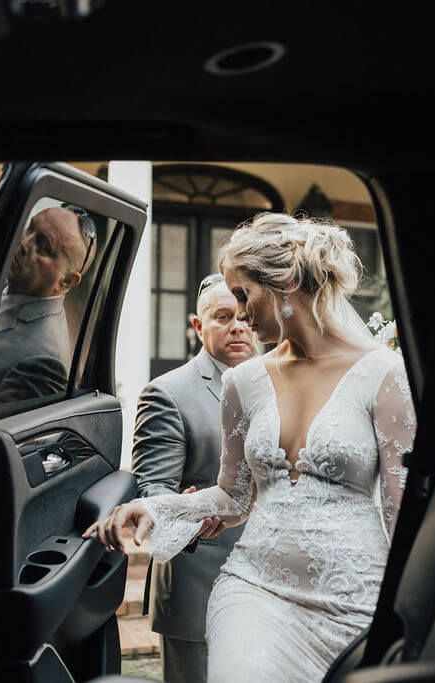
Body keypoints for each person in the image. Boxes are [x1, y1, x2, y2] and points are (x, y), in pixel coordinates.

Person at [85, 212, 416, 682]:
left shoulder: (384, 374)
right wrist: (157, 509)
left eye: (244, 294)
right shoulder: (245, 382)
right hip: (255, 590)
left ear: (286, 283)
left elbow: (402, 513)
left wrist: (408, 613)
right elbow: (233, 496)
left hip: (356, 600)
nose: (240, 313)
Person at [131, 272, 256, 683]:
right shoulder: (166, 393)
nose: (237, 326)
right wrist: (188, 509)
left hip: (270, 588)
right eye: (222, 317)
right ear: (198, 326)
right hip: (199, 589)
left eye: (243, 316)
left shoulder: (281, 383)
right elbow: (152, 489)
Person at [0, 205, 95, 404]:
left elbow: (3, 433)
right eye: (30, 228)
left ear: (66, 281)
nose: (24, 243)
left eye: (43, 246)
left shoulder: (43, 362)